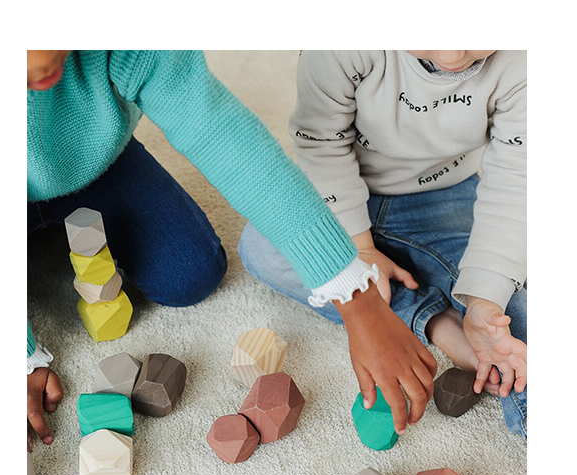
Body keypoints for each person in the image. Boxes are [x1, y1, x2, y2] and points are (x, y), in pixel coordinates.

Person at [27, 50, 437, 448]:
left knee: (190, 272)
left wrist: (359, 302)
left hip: (98, 160)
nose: (40, 61)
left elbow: (230, 144)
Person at [238, 50, 527, 437]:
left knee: (511, 316)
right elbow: (321, 145)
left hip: (446, 195)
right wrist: (359, 250)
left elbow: (515, 184)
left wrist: (483, 302)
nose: (453, 56)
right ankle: (437, 323)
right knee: (262, 246)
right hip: (334, 189)